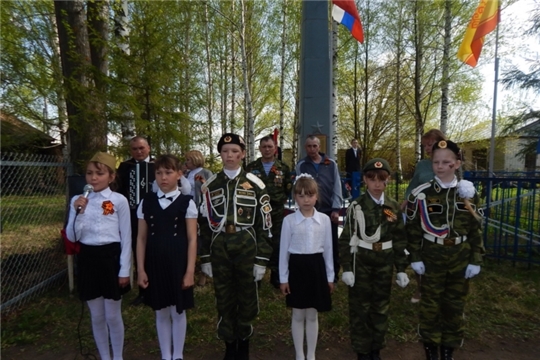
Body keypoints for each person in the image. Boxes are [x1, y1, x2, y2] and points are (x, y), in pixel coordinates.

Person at [405, 140, 484, 360]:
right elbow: (411, 229)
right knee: (430, 304)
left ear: (457, 163)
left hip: (460, 256)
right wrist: (415, 257)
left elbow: (476, 228)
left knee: (454, 304)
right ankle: (430, 348)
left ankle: (449, 348)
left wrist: (475, 259)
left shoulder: (468, 194)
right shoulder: (422, 194)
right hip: (432, 257)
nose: (440, 166)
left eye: (446, 162)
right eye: (436, 162)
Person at [199, 133, 273, 360]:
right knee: (224, 297)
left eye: (234, 151)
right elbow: (203, 225)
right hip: (220, 248)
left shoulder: (256, 184)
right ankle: (230, 346)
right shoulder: (210, 186)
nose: (229, 155)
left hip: (246, 248)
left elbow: (265, 226)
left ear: (242, 154)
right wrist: (205, 257)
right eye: (225, 151)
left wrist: (261, 260)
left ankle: (244, 345)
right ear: (220, 154)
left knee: (247, 298)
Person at [338, 158, 409, 360]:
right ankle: (362, 350)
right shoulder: (356, 205)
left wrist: (402, 268)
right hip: (361, 262)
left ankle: (376, 349)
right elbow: (346, 239)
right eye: (372, 179)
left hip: (384, 264)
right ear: (365, 181)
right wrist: (347, 268)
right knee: (360, 308)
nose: (377, 184)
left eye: (382, 179)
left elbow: (399, 239)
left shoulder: (393, 207)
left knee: (380, 307)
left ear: (388, 180)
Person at [66, 151, 131, 360]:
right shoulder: (78, 200)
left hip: (110, 258)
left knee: (112, 315)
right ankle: (105, 356)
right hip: (88, 258)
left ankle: (118, 356)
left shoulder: (118, 201)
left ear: (111, 177)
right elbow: (71, 235)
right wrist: (79, 213)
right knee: (97, 315)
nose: (93, 178)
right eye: (89, 173)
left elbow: (127, 237)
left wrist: (124, 270)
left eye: (99, 174)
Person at [136, 154, 197, 360]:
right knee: (160, 311)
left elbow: (191, 239)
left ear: (179, 174)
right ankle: (165, 355)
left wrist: (189, 271)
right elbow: (141, 238)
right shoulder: (146, 202)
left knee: (178, 311)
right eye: (159, 173)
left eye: (169, 172)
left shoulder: (186, 203)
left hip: (177, 262)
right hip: (154, 262)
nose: (163, 177)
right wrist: (141, 269)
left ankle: (178, 355)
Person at [279, 174, 334, 360]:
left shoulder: (324, 220)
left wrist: (330, 277)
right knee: (297, 313)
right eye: (301, 195)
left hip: (316, 268)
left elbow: (328, 250)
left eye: (309, 195)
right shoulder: (289, 221)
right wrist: (283, 278)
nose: (306, 199)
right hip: (297, 269)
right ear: (295, 197)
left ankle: (311, 354)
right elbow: (284, 252)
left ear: (316, 196)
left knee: (312, 314)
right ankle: (299, 354)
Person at [402, 129, 447, 304]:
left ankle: (441, 289)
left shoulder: (448, 162)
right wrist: (403, 206)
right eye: (424, 145)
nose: (427, 148)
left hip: (442, 215)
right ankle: (420, 288)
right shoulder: (422, 165)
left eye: (430, 144)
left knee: (438, 252)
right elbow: (412, 187)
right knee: (418, 249)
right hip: (421, 213)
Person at [246, 135, 292, 288]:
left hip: (276, 212)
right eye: (264, 147)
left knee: (277, 243)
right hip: (257, 213)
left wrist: (279, 200)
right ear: (259, 148)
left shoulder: (283, 168)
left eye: (269, 147)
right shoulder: (251, 168)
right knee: (257, 242)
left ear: (275, 148)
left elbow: (288, 188)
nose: (267, 149)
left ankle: (276, 275)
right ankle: (256, 276)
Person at [295, 135, 343, 282]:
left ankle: (333, 274)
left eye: (315, 146)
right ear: (305, 148)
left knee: (331, 243)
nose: (312, 149)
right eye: (309, 146)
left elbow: (337, 187)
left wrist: (336, 208)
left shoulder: (331, 164)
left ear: (319, 146)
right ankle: (314, 273)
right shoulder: (301, 165)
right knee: (311, 241)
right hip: (310, 211)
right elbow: (299, 188)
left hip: (329, 210)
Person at [116, 136, 155, 306]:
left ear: (149, 148)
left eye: (142, 148)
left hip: (155, 215)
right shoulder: (125, 167)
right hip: (131, 215)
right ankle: (142, 291)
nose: (139, 152)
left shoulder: (158, 165)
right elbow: (117, 189)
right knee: (134, 248)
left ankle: (157, 287)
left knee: (154, 250)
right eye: (135, 149)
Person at [184, 150, 214, 287]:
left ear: (195, 160)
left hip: (201, 212)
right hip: (187, 211)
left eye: (188, 160)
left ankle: (204, 274)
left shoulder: (206, 173)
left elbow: (212, 191)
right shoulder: (185, 174)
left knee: (203, 241)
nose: (186, 163)